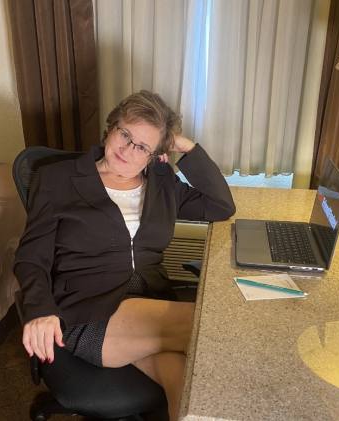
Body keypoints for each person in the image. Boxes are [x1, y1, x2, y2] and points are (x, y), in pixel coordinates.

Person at [13, 90, 235, 420]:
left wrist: (187, 147)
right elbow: (31, 257)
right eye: (125, 134)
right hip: (89, 311)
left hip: (150, 300)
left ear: (156, 155)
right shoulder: (58, 179)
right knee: (216, 328)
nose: (128, 149)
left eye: (143, 147)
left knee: (185, 386)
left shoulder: (162, 183)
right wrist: (40, 309)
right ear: (111, 127)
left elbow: (220, 206)